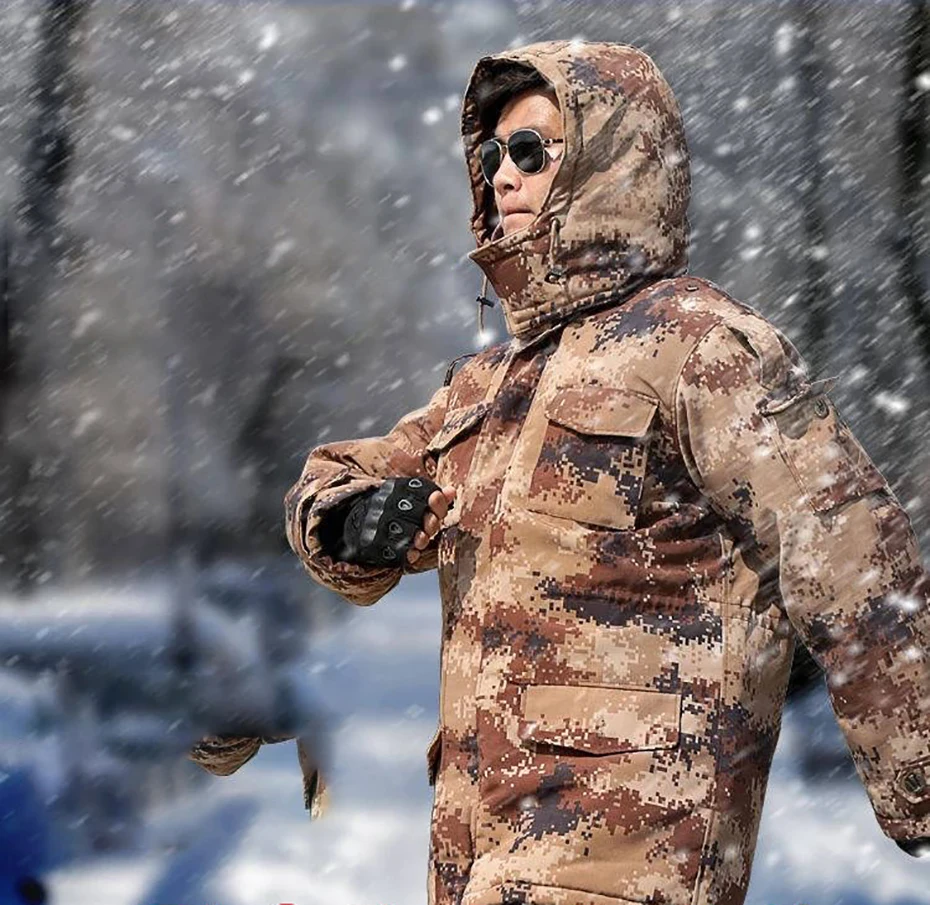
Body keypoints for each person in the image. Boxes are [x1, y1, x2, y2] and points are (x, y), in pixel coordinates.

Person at [210, 40, 930, 905]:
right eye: (489, 156)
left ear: (609, 160)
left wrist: (920, 780)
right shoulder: (490, 386)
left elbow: (849, 553)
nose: (500, 177)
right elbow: (331, 475)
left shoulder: (702, 347)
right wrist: (350, 518)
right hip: (476, 861)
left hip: (632, 863)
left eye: (529, 151)